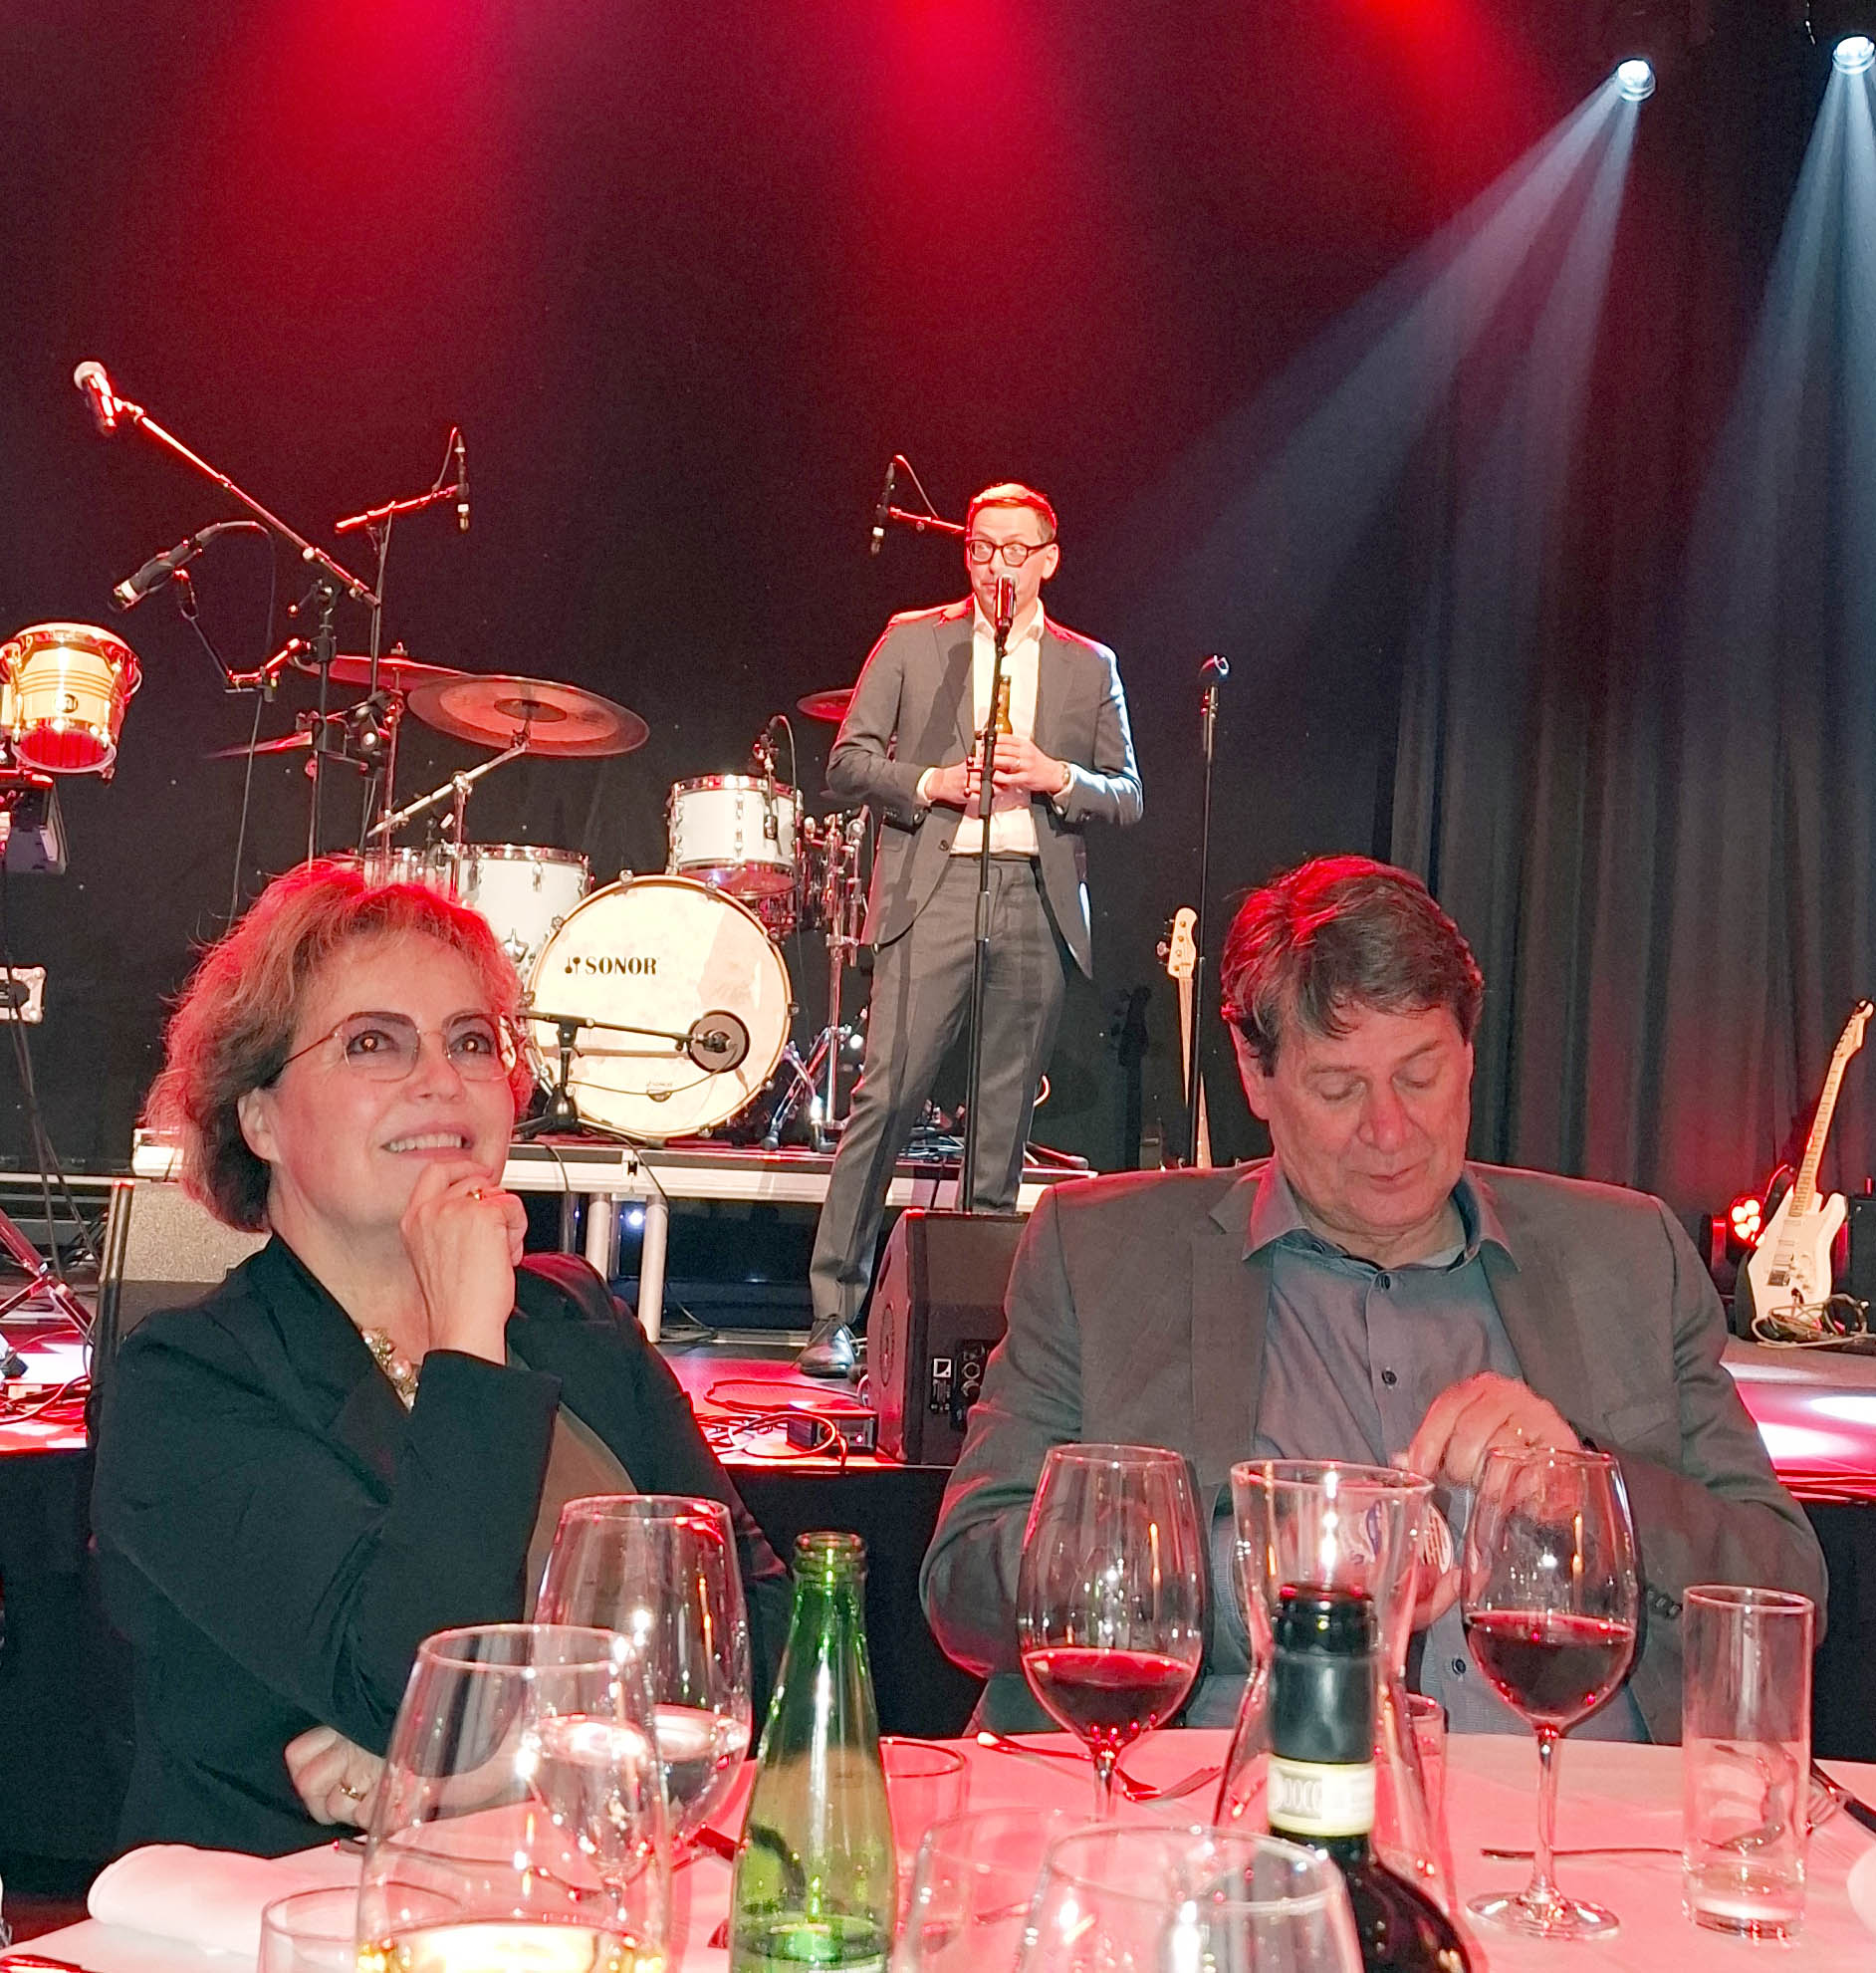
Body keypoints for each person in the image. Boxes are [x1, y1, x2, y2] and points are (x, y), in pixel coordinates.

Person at [921, 854, 1825, 1738]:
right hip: (1224, 1820)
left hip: (1593, 1824)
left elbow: (1790, 1593)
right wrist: (1246, 1572)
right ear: (1256, 1073)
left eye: (1420, 1075)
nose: (1390, 1130)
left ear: (1468, 1051)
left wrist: (1587, 1489)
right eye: (1339, 1086)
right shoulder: (1101, 1256)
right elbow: (965, 1588)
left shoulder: (1629, 1254)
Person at [92, 862, 791, 1855]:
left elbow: (759, 1636)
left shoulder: (573, 1317)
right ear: (259, 1118)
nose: (441, 1078)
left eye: (470, 1040)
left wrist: (493, 1767)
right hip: (290, 1919)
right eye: (373, 1041)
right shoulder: (188, 1385)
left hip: (585, 1896)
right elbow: (406, 1682)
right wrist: (467, 1335)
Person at [800, 482, 1143, 1374]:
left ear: (1048, 560)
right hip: (936, 887)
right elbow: (847, 761)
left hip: (1033, 893)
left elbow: (1127, 793)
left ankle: (974, 1327)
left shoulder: (1088, 664)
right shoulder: (916, 639)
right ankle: (834, 1313)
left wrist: (1057, 774)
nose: (997, 564)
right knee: (888, 1097)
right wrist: (932, 783)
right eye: (982, 547)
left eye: (1015, 550)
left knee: (1001, 1123)